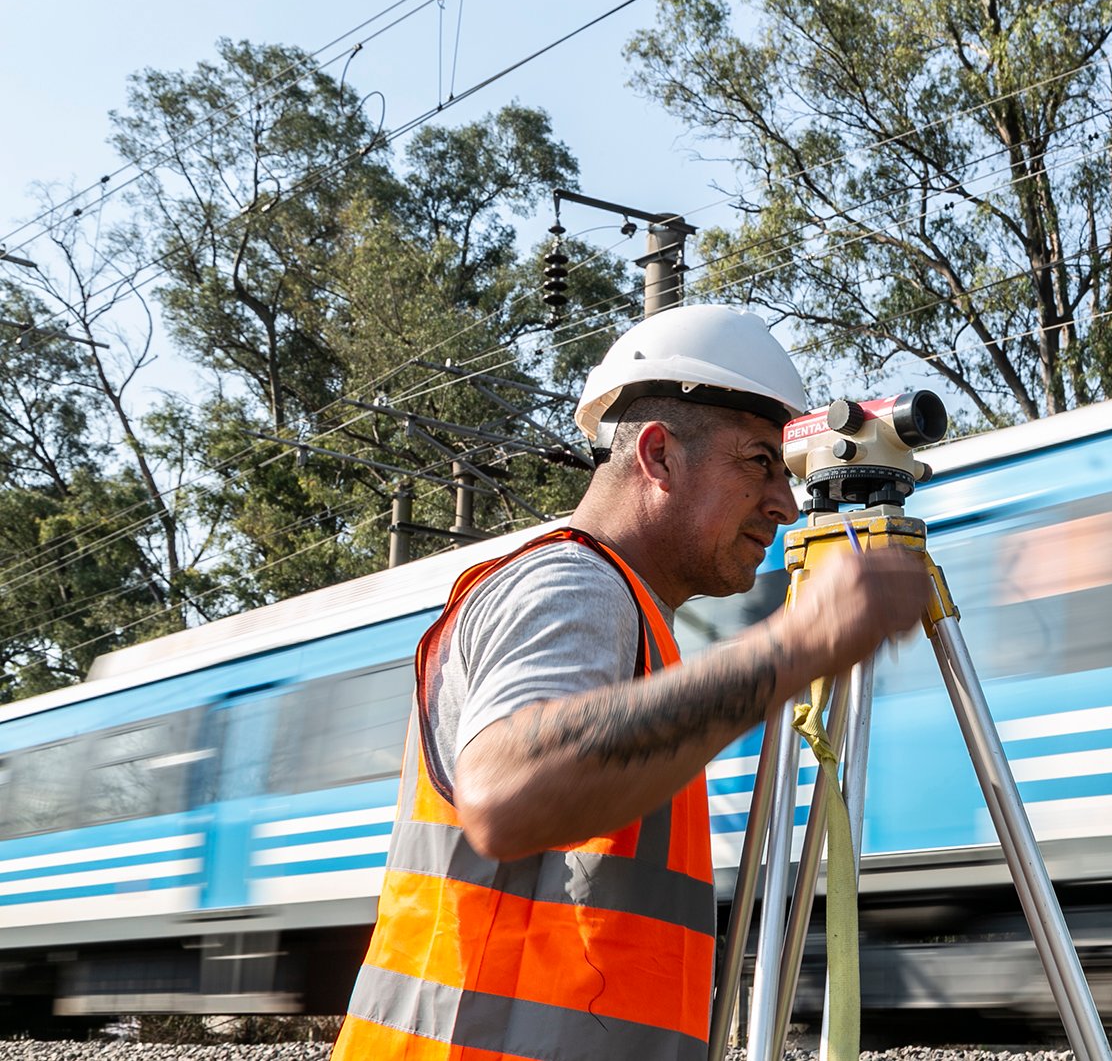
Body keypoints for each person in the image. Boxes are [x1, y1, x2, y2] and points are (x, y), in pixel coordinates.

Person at [332, 304, 929, 1060]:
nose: (784, 501)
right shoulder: (576, 586)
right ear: (657, 455)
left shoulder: (634, 615)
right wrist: (793, 649)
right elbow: (507, 792)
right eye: (759, 462)